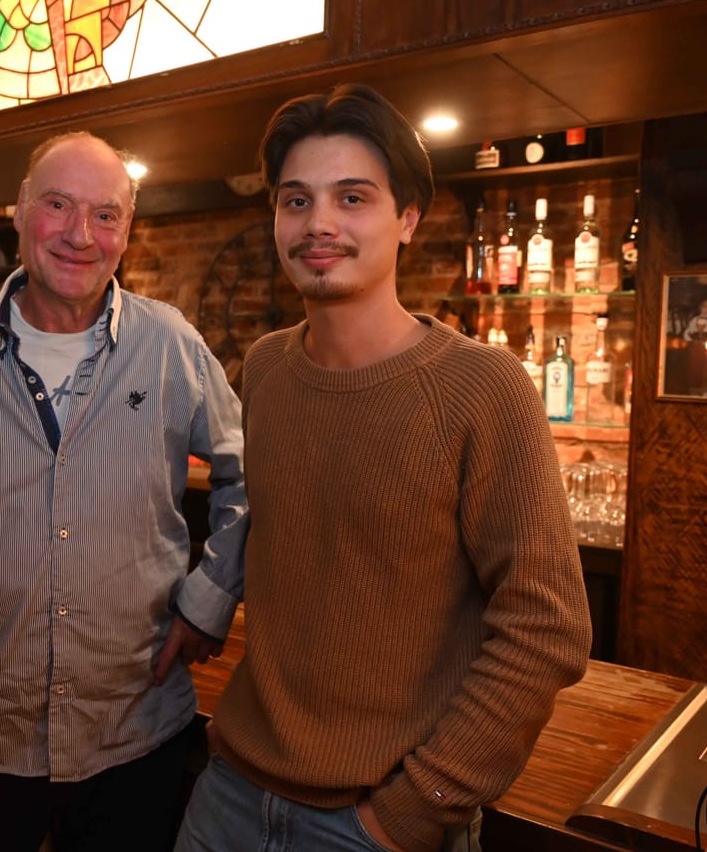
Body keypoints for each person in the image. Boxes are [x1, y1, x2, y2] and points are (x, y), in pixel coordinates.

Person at [174, 84, 592, 852]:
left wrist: (409, 812)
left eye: (353, 197)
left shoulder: (483, 386)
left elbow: (548, 627)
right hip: (229, 794)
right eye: (295, 200)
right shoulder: (265, 368)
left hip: (373, 821)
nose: (319, 223)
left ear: (407, 218)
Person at [0, 131, 248, 851]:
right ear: (17, 210)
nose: (80, 233)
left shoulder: (169, 344)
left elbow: (248, 472)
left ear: (127, 231)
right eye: (58, 205)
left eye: (106, 214)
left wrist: (210, 595)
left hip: (135, 736)